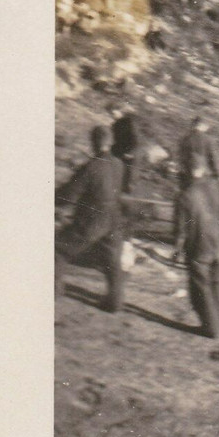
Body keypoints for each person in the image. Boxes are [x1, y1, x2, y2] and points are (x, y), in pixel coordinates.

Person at [56, 125, 127, 312]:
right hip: (114, 220)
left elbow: (69, 195)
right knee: (113, 261)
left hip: (92, 221)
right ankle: (115, 304)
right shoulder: (119, 164)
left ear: (93, 143)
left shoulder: (90, 166)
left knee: (58, 250)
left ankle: (52, 292)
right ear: (110, 142)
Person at [173, 162, 219, 338]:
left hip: (199, 246)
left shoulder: (184, 196)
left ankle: (211, 328)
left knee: (201, 287)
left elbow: (180, 231)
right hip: (218, 243)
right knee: (216, 282)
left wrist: (177, 251)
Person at [177, 116, 219, 188]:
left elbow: (181, 157)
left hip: (187, 174)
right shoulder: (209, 140)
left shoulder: (184, 139)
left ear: (193, 125)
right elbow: (214, 159)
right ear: (203, 126)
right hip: (204, 175)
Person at [108, 101, 140, 194]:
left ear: (120, 111)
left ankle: (127, 190)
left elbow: (134, 139)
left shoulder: (128, 123)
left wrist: (129, 152)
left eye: (113, 113)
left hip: (128, 152)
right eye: (111, 114)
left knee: (127, 173)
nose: (112, 116)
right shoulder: (117, 124)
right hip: (121, 151)